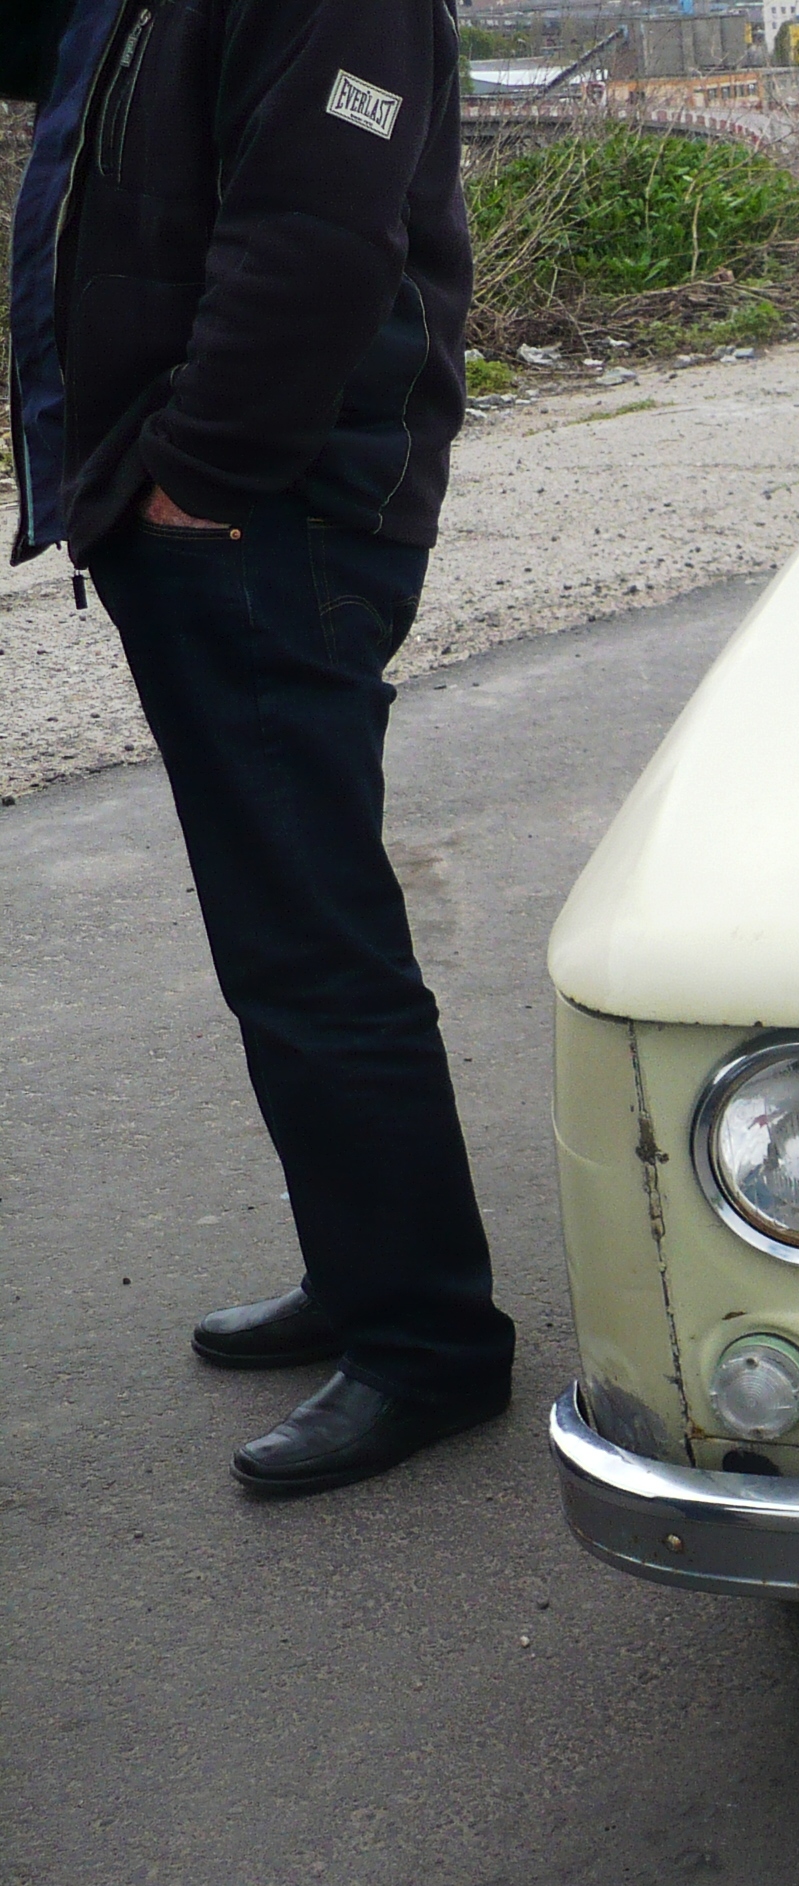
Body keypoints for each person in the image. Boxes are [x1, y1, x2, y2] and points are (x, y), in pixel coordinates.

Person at [6, 0, 515, 1492]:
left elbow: (316, 241)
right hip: (207, 516)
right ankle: (367, 1276)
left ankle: (426, 1344)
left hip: (267, 521)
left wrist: (198, 480)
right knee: (277, 935)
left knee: (314, 945)